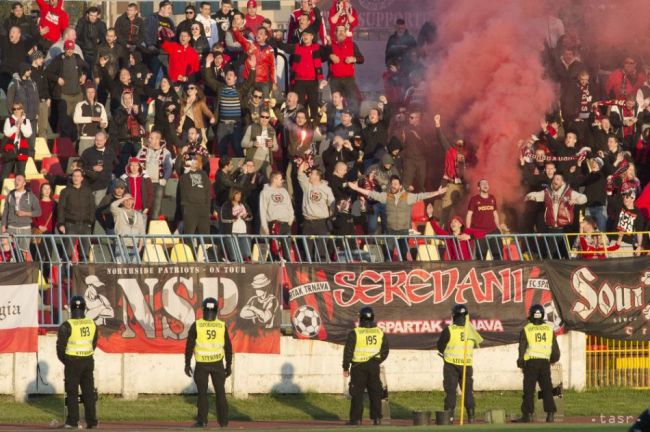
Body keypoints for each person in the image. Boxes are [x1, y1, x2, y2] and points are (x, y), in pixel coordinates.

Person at [349, 176, 446, 260]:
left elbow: (422, 196)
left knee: (403, 254)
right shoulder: (386, 196)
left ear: (400, 186)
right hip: (390, 230)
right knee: (388, 255)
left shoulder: (408, 196)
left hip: (403, 230)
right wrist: (356, 188)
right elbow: (371, 193)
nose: (393, 185)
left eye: (395, 184)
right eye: (392, 184)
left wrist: (438, 192)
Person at [185, 297, 232, 428]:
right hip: (218, 364)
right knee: (220, 393)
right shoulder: (222, 326)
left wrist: (187, 363)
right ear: (216, 310)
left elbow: (189, 346)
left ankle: (202, 421)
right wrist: (228, 365)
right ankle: (223, 422)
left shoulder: (197, 325)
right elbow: (228, 347)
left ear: (203, 309)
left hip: (202, 364)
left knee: (202, 394)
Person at [56, 295, 98, 429]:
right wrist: (85, 353)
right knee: (89, 392)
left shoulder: (66, 325)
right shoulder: (92, 324)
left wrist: (67, 361)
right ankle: (91, 421)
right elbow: (94, 343)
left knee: (72, 392)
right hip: (88, 360)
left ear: (71, 308)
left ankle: (72, 421)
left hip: (72, 362)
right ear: (84, 308)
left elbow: (60, 348)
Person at [342, 307, 389, 426]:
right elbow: (385, 351)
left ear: (361, 318)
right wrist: (376, 361)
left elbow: (348, 351)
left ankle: (356, 419)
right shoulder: (379, 332)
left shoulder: (355, 333)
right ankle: (377, 419)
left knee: (357, 393)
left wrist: (346, 367)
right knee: (375, 392)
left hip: (358, 367)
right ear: (372, 317)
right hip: (373, 366)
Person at [437, 304, 483, 424]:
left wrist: (446, 353)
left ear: (453, 315)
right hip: (466, 365)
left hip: (451, 365)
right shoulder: (471, 331)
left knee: (451, 391)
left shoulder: (449, 330)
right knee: (468, 391)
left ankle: (449, 417)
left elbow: (440, 346)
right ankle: (471, 417)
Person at [203, 54, 257, 156]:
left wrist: (253, 67)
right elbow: (209, 79)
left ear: (236, 78)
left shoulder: (240, 89)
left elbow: (250, 82)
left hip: (236, 125)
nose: (229, 76)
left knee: (238, 149)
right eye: (227, 75)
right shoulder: (220, 87)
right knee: (221, 149)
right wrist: (207, 64)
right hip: (222, 125)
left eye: (231, 75)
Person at [517, 304, 560, 423]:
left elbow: (522, 348)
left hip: (531, 363)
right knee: (547, 389)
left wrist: (521, 363)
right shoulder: (549, 329)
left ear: (531, 315)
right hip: (545, 363)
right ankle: (550, 414)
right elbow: (555, 349)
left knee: (529, 390)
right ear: (542, 315)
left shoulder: (527, 329)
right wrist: (553, 360)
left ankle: (528, 415)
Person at [57, 169, 95, 259]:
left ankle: (83, 272)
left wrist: (90, 222)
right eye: (74, 176)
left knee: (85, 253)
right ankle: (66, 272)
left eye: (78, 176)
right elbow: (61, 208)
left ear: (82, 178)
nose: (76, 178)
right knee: (68, 253)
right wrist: (61, 224)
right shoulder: (65, 191)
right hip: (70, 225)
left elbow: (92, 207)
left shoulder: (88, 191)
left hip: (85, 225)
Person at [1, 174, 41, 253]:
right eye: (15, 180)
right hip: (11, 228)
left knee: (24, 252)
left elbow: (38, 212)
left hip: (25, 229)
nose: (16, 182)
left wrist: (25, 213)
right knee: (7, 250)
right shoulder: (10, 195)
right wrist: (3, 225)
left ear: (24, 183)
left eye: (19, 180)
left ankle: (24, 265)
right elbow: (6, 211)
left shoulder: (31, 196)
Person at [179, 154, 211, 235]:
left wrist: (207, 208)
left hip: (203, 209)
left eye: (195, 160)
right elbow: (183, 190)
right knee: (189, 235)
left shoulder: (203, 174)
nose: (195, 161)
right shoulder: (184, 176)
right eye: (192, 160)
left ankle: (204, 248)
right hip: (190, 209)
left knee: (205, 237)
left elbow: (207, 191)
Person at [110, 194, 146, 262]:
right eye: (126, 200)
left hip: (134, 246)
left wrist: (140, 247)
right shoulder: (118, 212)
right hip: (121, 246)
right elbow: (113, 205)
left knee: (133, 270)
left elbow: (142, 231)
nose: (128, 202)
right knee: (120, 270)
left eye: (130, 200)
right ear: (122, 202)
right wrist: (123, 198)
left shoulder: (138, 214)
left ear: (133, 201)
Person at [2, 102, 33, 177]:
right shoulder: (8, 120)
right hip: (10, 149)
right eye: (14, 109)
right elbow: (7, 133)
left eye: (18, 108)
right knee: (5, 173)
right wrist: (16, 126)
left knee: (21, 173)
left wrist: (21, 124)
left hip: (22, 149)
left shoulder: (27, 121)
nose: (16, 111)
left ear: (22, 110)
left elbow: (28, 134)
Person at [75, 6, 107, 78]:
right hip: (84, 52)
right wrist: (82, 45)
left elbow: (104, 39)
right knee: (86, 73)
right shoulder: (82, 22)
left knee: (97, 74)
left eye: (95, 16)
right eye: (91, 15)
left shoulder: (101, 24)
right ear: (87, 15)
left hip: (97, 53)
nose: (93, 17)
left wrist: (98, 45)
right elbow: (76, 36)